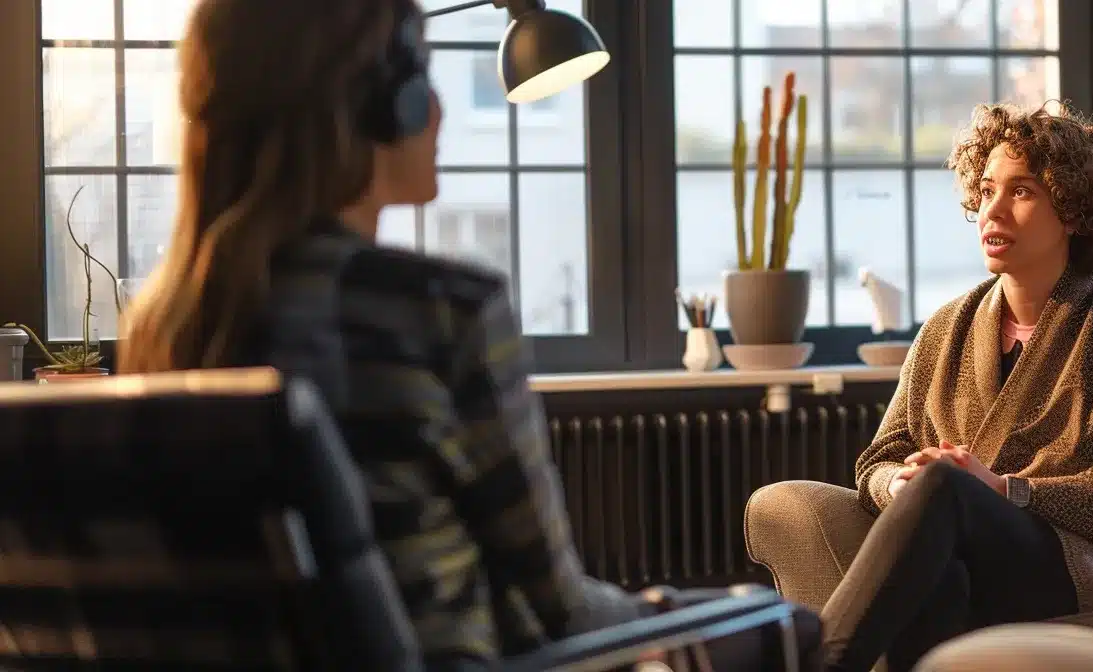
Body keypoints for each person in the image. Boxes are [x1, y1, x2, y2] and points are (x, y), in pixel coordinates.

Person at [117, 0, 815, 668]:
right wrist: (682, 610)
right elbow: (562, 613)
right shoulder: (441, 310)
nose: (440, 108)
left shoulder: (162, 330)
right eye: (421, 75)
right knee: (783, 625)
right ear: (381, 101)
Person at [817, 102, 1093, 672]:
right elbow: (878, 461)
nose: (993, 211)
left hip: (1083, 565)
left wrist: (1004, 489)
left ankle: (818, 663)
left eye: (1021, 192)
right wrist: (901, 485)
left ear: (1073, 211)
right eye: (987, 189)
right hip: (957, 549)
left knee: (945, 486)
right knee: (919, 553)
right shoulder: (945, 328)